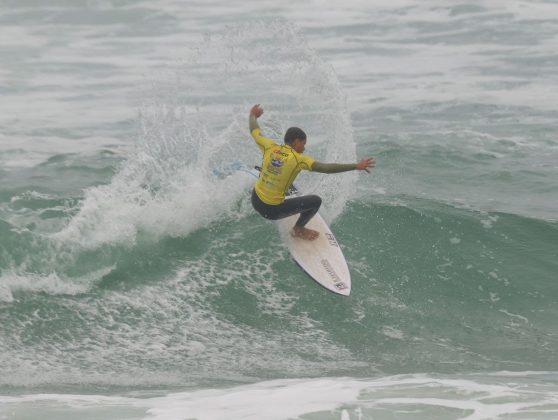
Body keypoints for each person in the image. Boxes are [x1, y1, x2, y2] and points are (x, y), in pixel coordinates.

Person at [249, 104, 375, 241]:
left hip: (255, 200)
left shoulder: (269, 146)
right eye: (303, 144)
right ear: (297, 141)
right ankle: (299, 229)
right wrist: (356, 166)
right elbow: (326, 169)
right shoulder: (298, 159)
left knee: (280, 175)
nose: (304, 148)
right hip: (270, 211)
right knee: (315, 201)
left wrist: (253, 115)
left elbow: (254, 130)